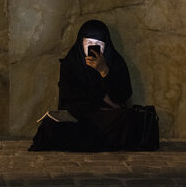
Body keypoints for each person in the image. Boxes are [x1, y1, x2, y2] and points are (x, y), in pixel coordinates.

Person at [29, 19, 152, 151]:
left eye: (98, 44)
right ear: (81, 43)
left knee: (128, 120)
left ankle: (86, 142)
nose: (93, 47)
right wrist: (101, 96)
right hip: (79, 115)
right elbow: (67, 94)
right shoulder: (71, 62)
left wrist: (104, 71)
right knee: (50, 126)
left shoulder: (116, 62)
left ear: (106, 45)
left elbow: (123, 95)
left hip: (106, 117)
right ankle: (96, 142)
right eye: (89, 43)